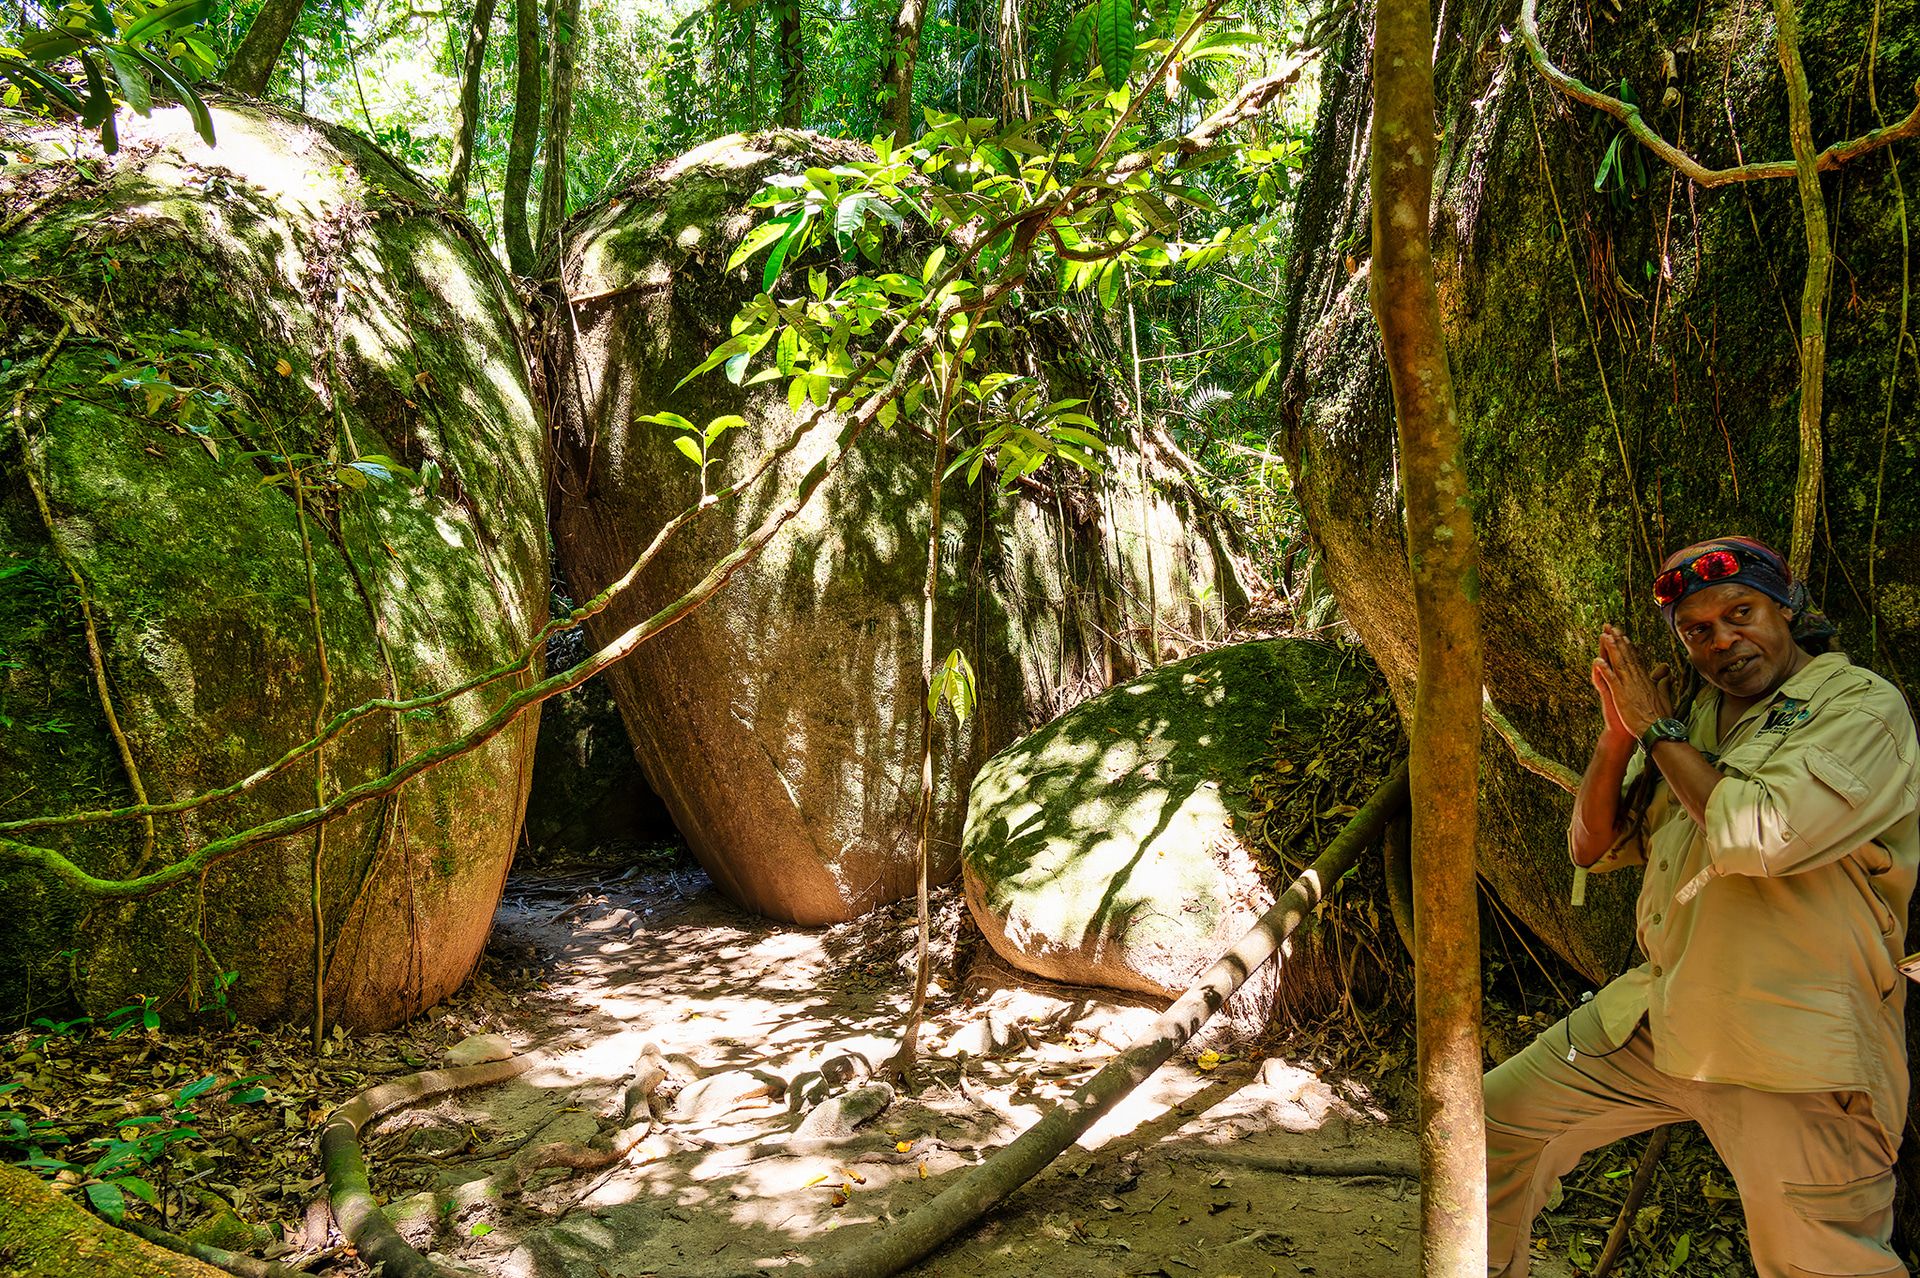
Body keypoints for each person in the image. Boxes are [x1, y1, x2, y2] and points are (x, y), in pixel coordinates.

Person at [1483, 535, 1920, 1278]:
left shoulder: (1860, 706)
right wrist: (1618, 736)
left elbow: (1757, 836)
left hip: (1794, 1041)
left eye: (1740, 613)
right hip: (1664, 1013)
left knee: (1820, 1264)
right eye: (1697, 631)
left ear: (1787, 608)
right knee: (1488, 1125)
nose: (1722, 640)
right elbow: (1589, 846)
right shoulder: (1698, 717)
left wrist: (1657, 729)